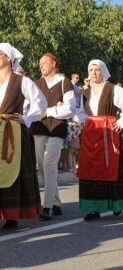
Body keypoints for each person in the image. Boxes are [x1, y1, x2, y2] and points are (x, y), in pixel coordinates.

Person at [77, 59, 123, 221]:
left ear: (103, 72)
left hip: (108, 133)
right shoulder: (84, 93)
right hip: (91, 133)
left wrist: (120, 122)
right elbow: (80, 113)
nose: (94, 73)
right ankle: (93, 209)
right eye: (91, 70)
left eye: (97, 70)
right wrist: (83, 121)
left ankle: (116, 204)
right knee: (90, 170)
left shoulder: (113, 89)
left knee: (111, 168)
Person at [0, 43, 47, 229]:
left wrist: (27, 118)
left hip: (13, 131)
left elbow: (40, 103)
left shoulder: (21, 81)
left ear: (8, 58)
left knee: (14, 172)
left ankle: (12, 215)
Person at [30, 52, 76, 220]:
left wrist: (49, 111)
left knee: (49, 164)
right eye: (40, 63)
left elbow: (70, 108)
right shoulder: (35, 84)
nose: (41, 65)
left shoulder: (65, 83)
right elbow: (29, 107)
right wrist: (55, 110)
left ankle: (47, 206)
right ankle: (56, 202)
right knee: (42, 166)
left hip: (57, 129)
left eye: (44, 62)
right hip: (38, 128)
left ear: (54, 64)